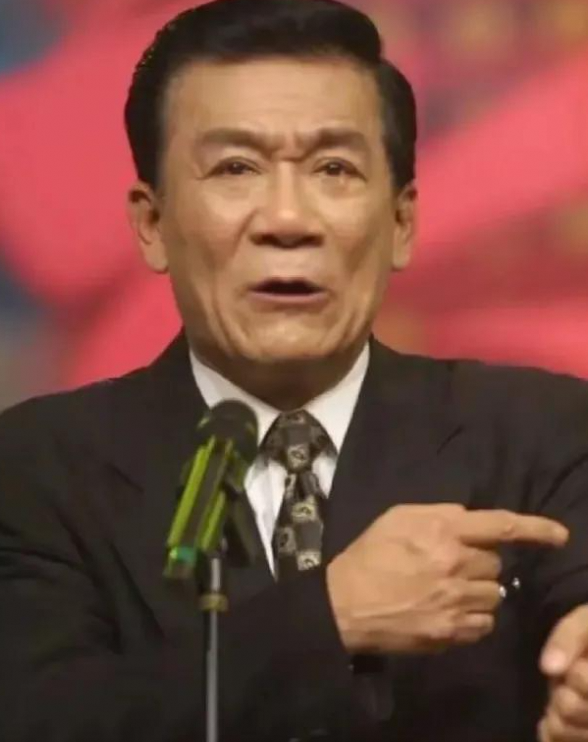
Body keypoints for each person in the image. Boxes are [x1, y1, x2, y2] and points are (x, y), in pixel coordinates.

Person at [1, 0, 588, 740]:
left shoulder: (542, 431)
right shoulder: (35, 467)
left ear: (401, 222)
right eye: (236, 168)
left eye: (334, 169)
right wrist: (331, 618)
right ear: (152, 225)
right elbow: (45, 720)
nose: (287, 220)